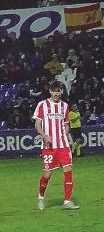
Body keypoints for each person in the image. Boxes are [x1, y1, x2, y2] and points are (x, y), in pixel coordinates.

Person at [33, 80, 77, 210]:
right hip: (48, 147)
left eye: (59, 91)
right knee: (47, 175)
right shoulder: (42, 105)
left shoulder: (64, 106)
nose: (56, 93)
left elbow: (66, 123)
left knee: (68, 171)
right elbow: (37, 124)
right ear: (50, 91)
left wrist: (65, 134)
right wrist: (44, 135)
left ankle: (67, 201)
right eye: (54, 91)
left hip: (63, 145)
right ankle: (41, 197)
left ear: (61, 92)